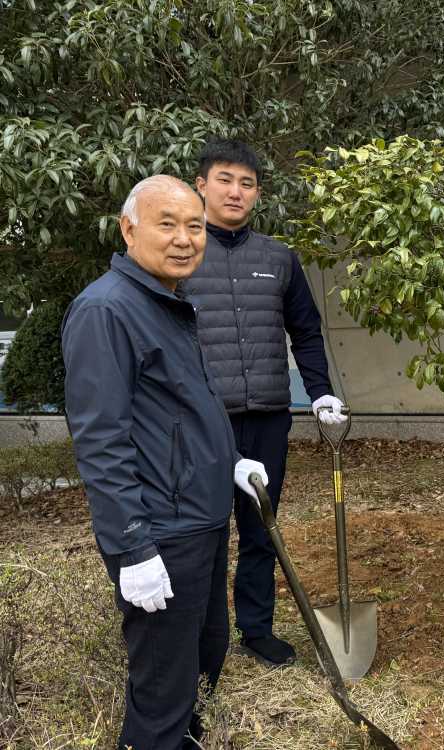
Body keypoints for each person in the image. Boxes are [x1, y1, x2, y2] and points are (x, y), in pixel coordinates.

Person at [62, 175, 269, 749]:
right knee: (163, 682)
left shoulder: (169, 301)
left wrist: (230, 460)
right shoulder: (106, 311)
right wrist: (132, 547)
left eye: (195, 226)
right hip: (160, 530)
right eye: (167, 224)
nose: (184, 239)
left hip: (199, 516)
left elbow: (185, 406)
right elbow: (101, 439)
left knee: (205, 653)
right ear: (130, 229)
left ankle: (186, 737)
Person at [182, 139, 346, 668]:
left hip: (269, 416)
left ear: (257, 193)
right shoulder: (180, 255)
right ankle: (205, 637)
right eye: (224, 179)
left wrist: (320, 392)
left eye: (246, 183)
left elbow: (306, 330)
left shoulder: (278, 258)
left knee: (261, 529)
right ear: (201, 185)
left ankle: (256, 629)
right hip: (204, 421)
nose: (235, 191)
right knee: (205, 530)